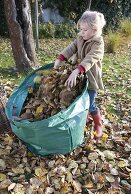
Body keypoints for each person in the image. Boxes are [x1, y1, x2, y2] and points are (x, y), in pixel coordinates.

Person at [54, 10, 106, 138]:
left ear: (94, 30)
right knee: (79, 99)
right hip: (79, 77)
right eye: (81, 29)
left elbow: (91, 57)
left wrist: (78, 69)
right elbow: (72, 47)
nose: (81, 33)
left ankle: (98, 124)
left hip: (91, 78)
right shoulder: (81, 37)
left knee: (90, 103)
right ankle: (85, 116)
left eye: (84, 30)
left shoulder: (98, 43)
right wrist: (61, 57)